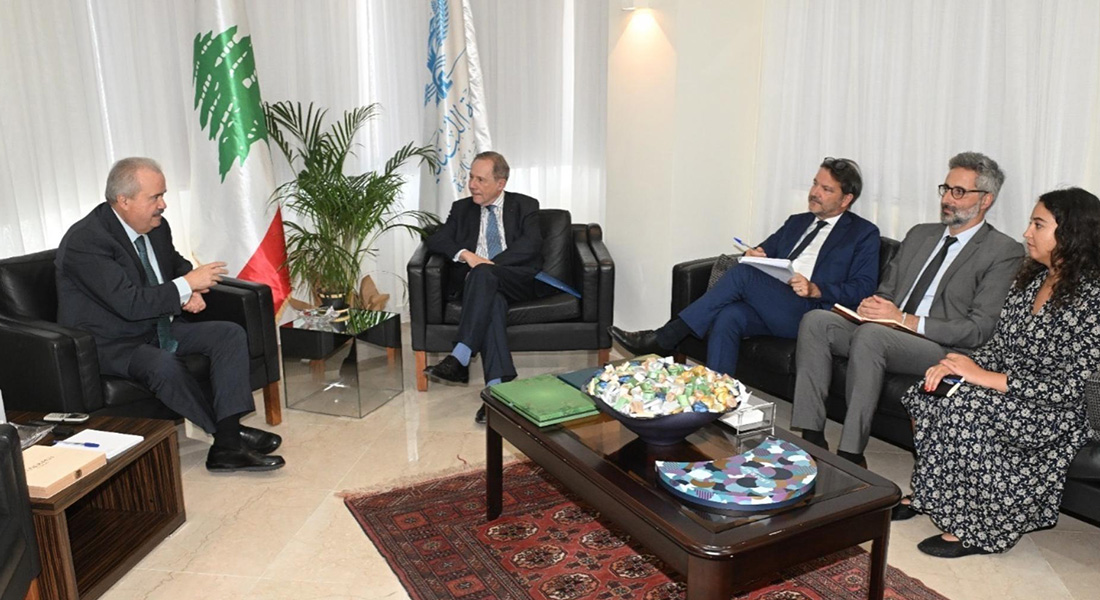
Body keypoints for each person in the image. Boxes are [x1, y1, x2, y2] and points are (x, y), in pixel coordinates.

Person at [893, 187, 1100, 558]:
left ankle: (980, 529)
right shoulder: (1031, 280)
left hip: (1057, 411)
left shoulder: (1093, 298)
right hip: (1011, 390)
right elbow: (1000, 346)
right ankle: (932, 494)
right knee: (928, 391)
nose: (1026, 233)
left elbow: (1072, 388)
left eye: (1038, 225)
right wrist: (955, 364)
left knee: (967, 405)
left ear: (1072, 233)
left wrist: (985, 379)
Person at [790, 152, 1023, 467]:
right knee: (817, 321)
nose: (947, 199)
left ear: (986, 200)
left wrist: (903, 320)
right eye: (946, 189)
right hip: (889, 330)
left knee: (871, 336)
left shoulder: (1003, 251)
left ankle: (850, 454)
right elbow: (887, 290)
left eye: (959, 192)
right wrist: (875, 306)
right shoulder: (920, 234)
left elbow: (978, 329)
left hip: (940, 346)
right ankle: (811, 437)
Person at [55, 157, 284, 472]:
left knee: (228, 334)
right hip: (109, 341)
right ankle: (228, 439)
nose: (163, 204)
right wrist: (185, 286)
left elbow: (175, 264)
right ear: (123, 200)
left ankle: (228, 440)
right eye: (155, 197)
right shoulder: (87, 241)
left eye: (163, 195)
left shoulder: (155, 226)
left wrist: (191, 290)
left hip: (155, 326)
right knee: (162, 364)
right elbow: (129, 304)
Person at [609, 157, 880, 378]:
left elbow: (864, 288)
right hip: (776, 304)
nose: (815, 193)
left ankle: (666, 337)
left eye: (826, 189)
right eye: (815, 184)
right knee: (730, 315)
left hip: (812, 313)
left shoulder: (863, 233)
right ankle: (718, 401)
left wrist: (815, 289)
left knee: (742, 274)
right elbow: (764, 254)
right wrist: (753, 254)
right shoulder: (797, 222)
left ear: (846, 199)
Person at [422, 151, 552, 424]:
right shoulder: (462, 209)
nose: (472, 185)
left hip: (517, 280)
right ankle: (496, 391)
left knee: (483, 275)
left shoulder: (525, 205)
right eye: (471, 177)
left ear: (500, 184)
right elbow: (436, 239)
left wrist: (488, 265)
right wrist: (467, 255)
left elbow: (530, 246)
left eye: (480, 180)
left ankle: (461, 356)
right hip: (481, 288)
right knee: (492, 304)